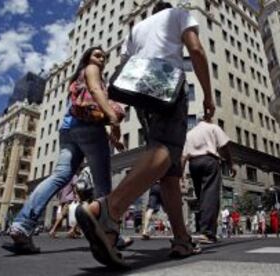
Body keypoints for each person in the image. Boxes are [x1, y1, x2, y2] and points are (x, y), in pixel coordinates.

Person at [74, 2, 214, 267]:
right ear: (168, 7)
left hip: (140, 92)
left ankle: (182, 239)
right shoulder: (178, 13)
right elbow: (195, 49)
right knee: (167, 149)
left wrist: (117, 109)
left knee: (169, 171)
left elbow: (127, 67)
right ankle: (108, 210)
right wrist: (207, 96)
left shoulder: (137, 28)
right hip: (167, 86)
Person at [2, 46, 127, 254]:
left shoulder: (77, 78)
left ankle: (21, 226)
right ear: (87, 57)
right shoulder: (91, 69)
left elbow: (87, 110)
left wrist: (109, 135)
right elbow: (96, 93)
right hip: (88, 130)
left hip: (69, 131)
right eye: (97, 55)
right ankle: (109, 235)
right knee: (103, 184)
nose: (101, 59)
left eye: (104, 57)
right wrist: (114, 120)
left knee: (59, 176)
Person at [181, 115, 237, 243]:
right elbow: (224, 146)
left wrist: (181, 176)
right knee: (211, 196)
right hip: (209, 161)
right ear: (207, 119)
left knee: (202, 197)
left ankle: (205, 229)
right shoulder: (212, 127)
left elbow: (183, 156)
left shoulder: (189, 134)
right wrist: (231, 164)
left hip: (193, 164)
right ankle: (207, 233)